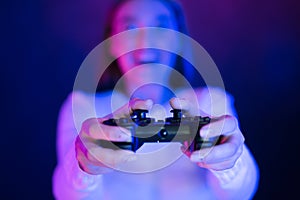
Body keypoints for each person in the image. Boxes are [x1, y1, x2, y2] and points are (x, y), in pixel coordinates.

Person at [53, 0, 259, 199]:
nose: (146, 40)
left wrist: (231, 161)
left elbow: (240, 194)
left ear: (179, 41)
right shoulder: (82, 107)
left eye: (161, 27)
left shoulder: (211, 102)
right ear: (111, 43)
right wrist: (83, 167)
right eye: (130, 27)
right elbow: (66, 195)